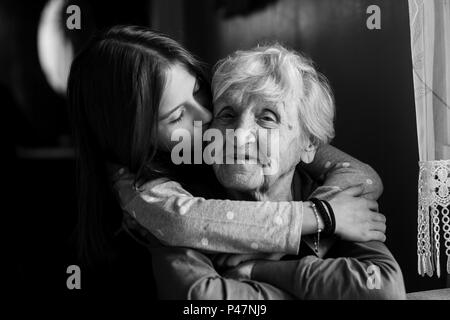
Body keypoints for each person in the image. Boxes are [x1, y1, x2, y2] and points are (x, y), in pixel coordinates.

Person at [67, 25, 384, 269]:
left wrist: (317, 233)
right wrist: (319, 217)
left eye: (198, 91)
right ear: (137, 138)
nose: (206, 114)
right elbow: (184, 222)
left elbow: (359, 174)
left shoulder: (221, 134)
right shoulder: (138, 185)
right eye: (177, 115)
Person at [149, 44, 406, 300]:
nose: (238, 136)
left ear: (308, 144)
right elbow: (200, 301)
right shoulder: (186, 202)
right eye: (227, 114)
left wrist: (258, 270)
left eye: (267, 118)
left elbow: (383, 287)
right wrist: (324, 291)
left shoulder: (334, 196)